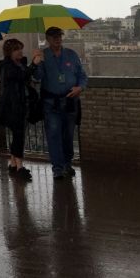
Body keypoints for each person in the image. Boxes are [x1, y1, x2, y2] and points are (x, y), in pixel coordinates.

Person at [32, 26, 87, 180]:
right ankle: (57, 168)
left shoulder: (71, 54)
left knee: (68, 135)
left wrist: (80, 87)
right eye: (54, 37)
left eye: (59, 36)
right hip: (51, 103)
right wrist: (36, 63)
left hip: (70, 101)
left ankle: (67, 163)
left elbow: (82, 75)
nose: (58, 39)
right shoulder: (43, 55)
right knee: (54, 134)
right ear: (48, 39)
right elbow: (37, 77)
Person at [0, 39, 35, 181]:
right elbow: (19, 76)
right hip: (13, 106)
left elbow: (25, 76)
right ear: (9, 52)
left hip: (21, 104)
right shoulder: (7, 66)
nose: (20, 51)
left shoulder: (20, 64)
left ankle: (13, 162)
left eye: (20, 48)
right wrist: (34, 64)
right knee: (19, 134)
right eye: (16, 49)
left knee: (18, 134)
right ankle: (19, 166)